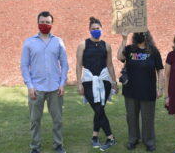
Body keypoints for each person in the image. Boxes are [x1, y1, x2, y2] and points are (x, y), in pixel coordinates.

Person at [21, 11, 69, 153]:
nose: (45, 25)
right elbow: (24, 65)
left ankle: (58, 145)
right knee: (35, 120)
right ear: (38, 23)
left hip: (55, 88)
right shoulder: (29, 42)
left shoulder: (58, 41)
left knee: (58, 120)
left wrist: (62, 84)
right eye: (42, 22)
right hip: (36, 89)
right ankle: (35, 147)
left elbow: (64, 64)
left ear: (51, 24)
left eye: (48, 22)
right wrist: (29, 86)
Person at [117, 31, 164, 152]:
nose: (139, 35)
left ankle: (149, 141)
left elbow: (160, 70)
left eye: (141, 32)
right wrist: (123, 39)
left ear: (147, 35)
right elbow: (120, 57)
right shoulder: (129, 49)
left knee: (148, 117)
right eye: (137, 32)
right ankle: (133, 139)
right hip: (130, 90)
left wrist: (160, 88)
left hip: (148, 90)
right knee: (131, 117)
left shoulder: (153, 51)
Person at [76, 17, 118, 151]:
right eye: (93, 29)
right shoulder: (83, 45)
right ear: (89, 30)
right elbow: (78, 65)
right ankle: (111, 137)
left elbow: (110, 65)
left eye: (97, 29)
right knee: (98, 109)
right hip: (88, 82)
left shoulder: (107, 45)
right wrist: (79, 83)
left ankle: (95, 136)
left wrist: (114, 81)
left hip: (104, 81)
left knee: (99, 110)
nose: (95, 31)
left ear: (102, 29)